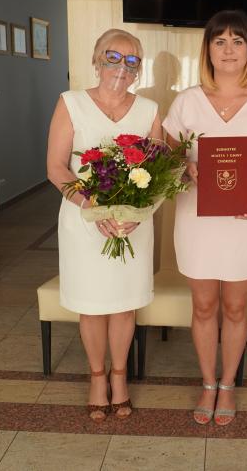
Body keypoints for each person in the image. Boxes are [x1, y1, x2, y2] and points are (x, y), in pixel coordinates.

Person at [163, 10, 247, 426]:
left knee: (236, 308)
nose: (228, 50)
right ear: (207, 50)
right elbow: (165, 160)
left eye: (238, 41)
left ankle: (228, 384)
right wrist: (184, 167)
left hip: (245, 222)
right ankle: (208, 383)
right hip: (197, 222)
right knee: (203, 306)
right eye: (219, 41)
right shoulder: (186, 101)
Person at [46, 28, 162, 422]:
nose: (121, 67)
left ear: (138, 69)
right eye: (113, 57)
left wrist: (137, 214)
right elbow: (56, 168)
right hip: (83, 221)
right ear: (97, 60)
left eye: (131, 61)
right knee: (92, 306)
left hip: (131, 226)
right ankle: (97, 377)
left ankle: (119, 376)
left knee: (124, 305)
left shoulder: (150, 110)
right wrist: (92, 206)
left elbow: (159, 173)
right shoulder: (71, 103)